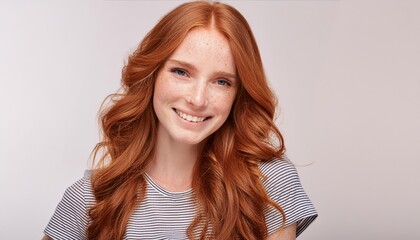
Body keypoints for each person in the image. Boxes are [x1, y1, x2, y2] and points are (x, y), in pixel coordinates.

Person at [43, 1, 317, 239]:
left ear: (238, 94)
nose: (198, 99)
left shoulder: (268, 184)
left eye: (221, 81)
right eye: (181, 72)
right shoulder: (91, 198)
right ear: (152, 75)